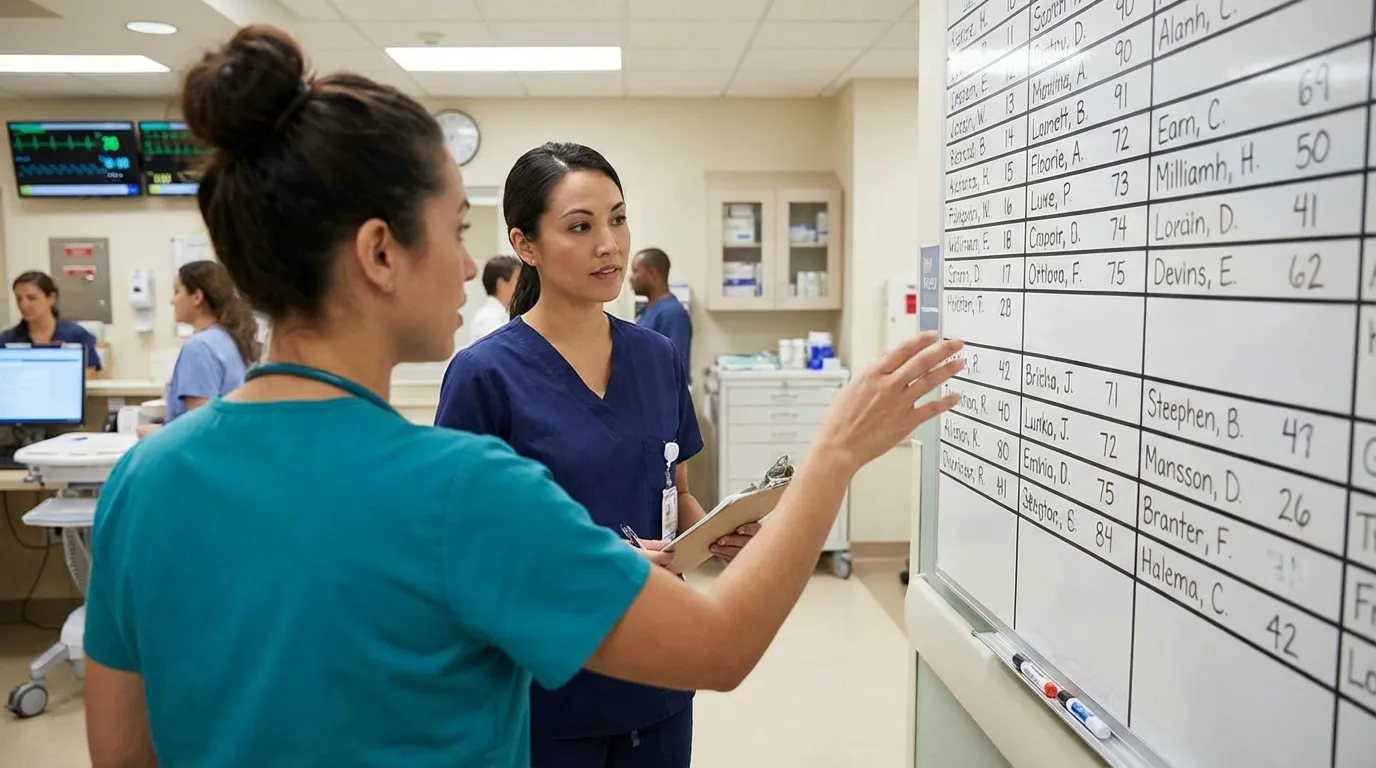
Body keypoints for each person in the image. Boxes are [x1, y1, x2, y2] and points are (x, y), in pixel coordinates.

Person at [80, 25, 964, 768]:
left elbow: (122, 754)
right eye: (455, 230)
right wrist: (835, 453)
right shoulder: (460, 488)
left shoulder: (144, 481)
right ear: (382, 252)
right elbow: (723, 646)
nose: (472, 265)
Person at [137, 261, 260, 436]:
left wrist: (156, 434)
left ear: (197, 297)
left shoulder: (199, 348)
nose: (172, 301)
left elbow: (200, 429)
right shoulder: (232, 340)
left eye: (177, 291)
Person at [0, 270, 102, 372]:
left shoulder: (76, 335)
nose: (24, 305)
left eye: (31, 298)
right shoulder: (7, 340)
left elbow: (90, 372)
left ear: (51, 298)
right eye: (19, 299)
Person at [629, 247, 690, 370]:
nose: (631, 278)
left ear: (652, 274)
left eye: (635, 271)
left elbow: (673, 366)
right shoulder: (648, 310)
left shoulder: (672, 313)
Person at [470, 254, 520, 340]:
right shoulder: (488, 319)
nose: (522, 286)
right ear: (501, 284)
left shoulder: (503, 315)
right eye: (518, 280)